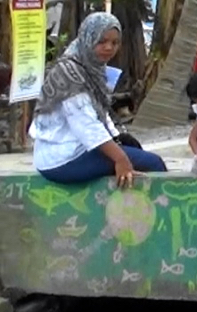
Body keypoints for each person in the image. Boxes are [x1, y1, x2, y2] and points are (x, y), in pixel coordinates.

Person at [29, 13, 168, 187]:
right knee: (152, 164)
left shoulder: (91, 68)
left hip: (77, 149)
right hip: (63, 158)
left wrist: (119, 140)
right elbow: (87, 125)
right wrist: (120, 158)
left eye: (115, 43)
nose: (109, 48)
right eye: (101, 42)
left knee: (134, 150)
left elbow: (100, 112)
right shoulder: (70, 74)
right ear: (88, 38)